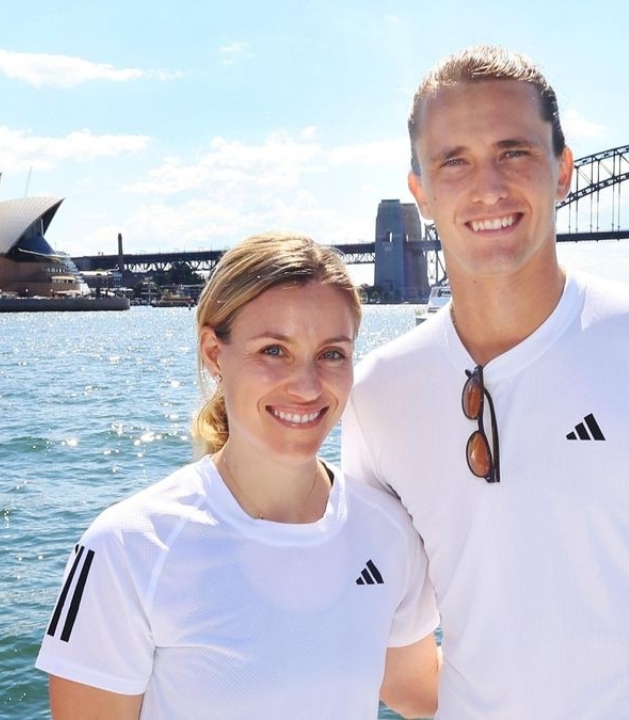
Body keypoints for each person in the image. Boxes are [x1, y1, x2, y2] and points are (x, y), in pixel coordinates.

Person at [341, 46, 629, 718]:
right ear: (422, 195)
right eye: (453, 160)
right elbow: (392, 648)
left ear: (564, 171)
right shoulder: (377, 393)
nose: (487, 186)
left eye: (514, 151)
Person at [37, 232, 441, 719]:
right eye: (274, 351)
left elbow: (419, 689)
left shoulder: (388, 531)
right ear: (214, 353)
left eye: (332, 353)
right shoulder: (127, 547)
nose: (308, 386)